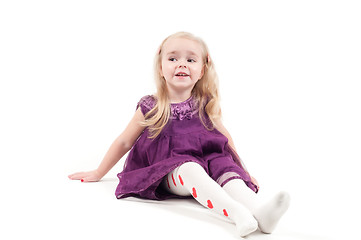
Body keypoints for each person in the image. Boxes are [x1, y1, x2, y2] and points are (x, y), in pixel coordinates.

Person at [68, 31, 290, 237]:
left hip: (209, 163)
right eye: (173, 59)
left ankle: (261, 213)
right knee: (189, 167)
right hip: (170, 171)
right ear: (160, 68)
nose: (181, 64)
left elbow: (226, 140)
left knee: (228, 170)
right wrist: (98, 171)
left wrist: (243, 171)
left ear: (201, 70)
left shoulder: (205, 104)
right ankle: (236, 213)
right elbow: (125, 140)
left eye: (190, 60)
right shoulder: (151, 105)